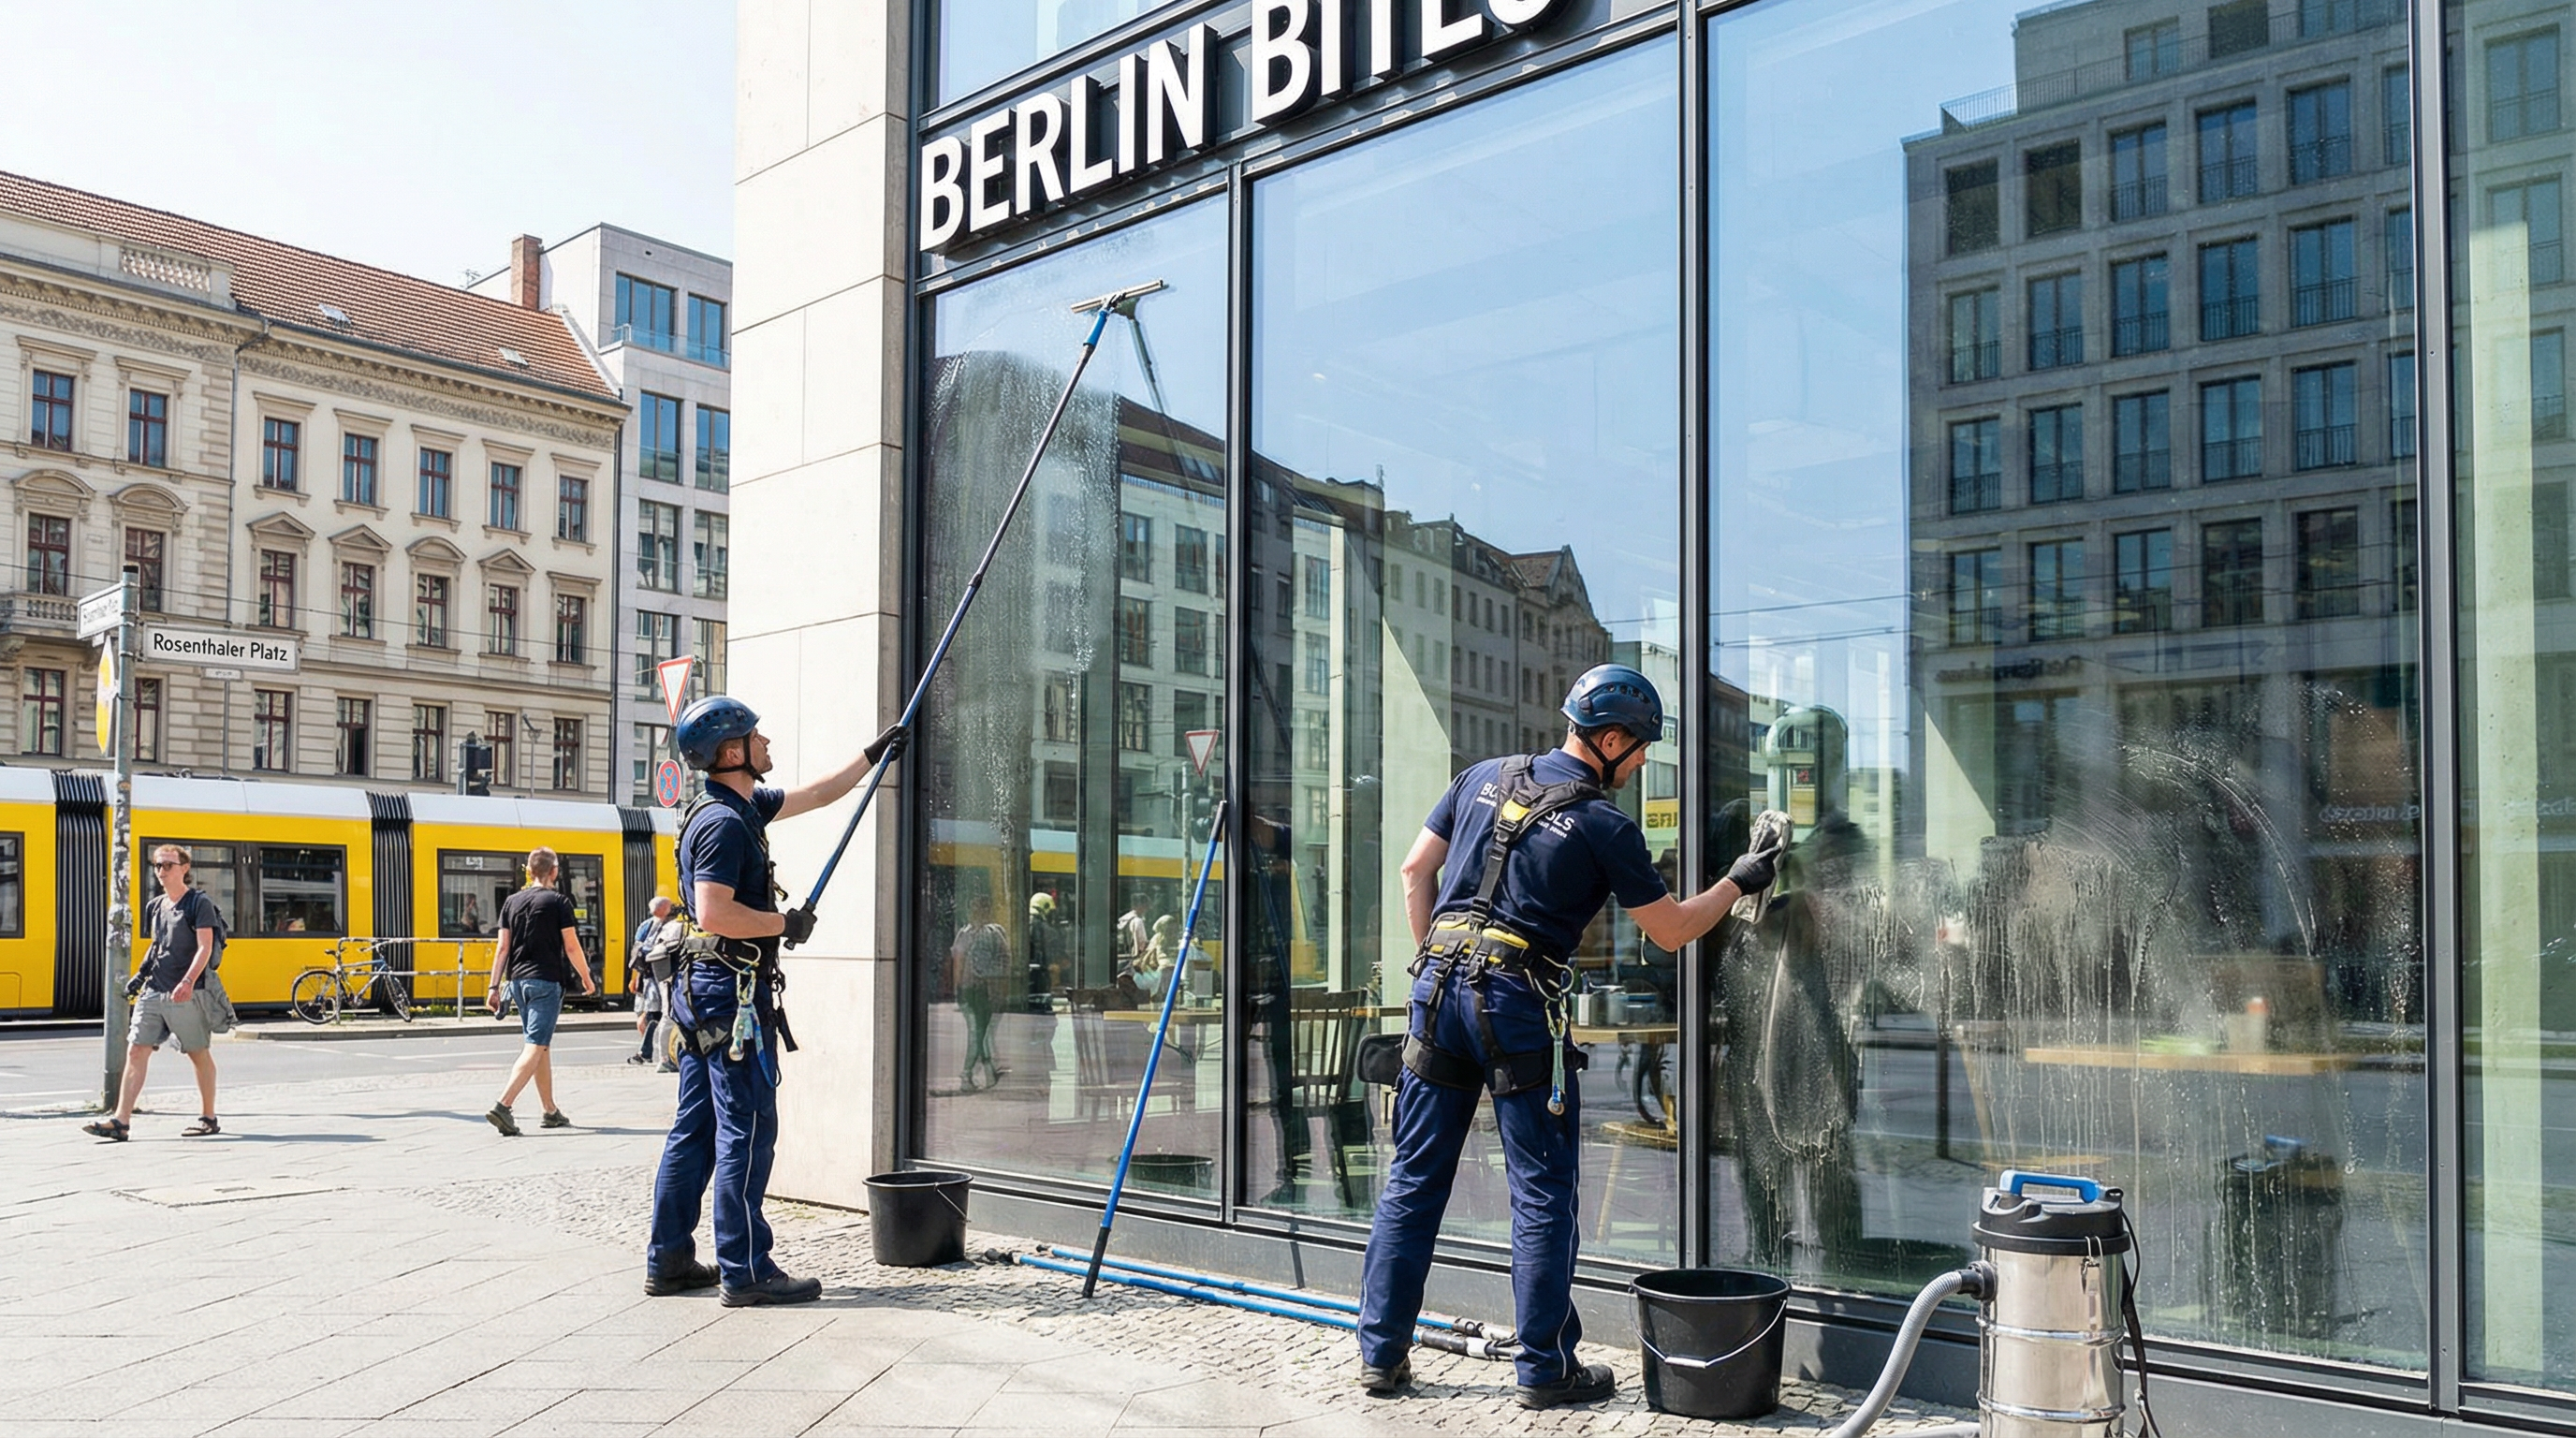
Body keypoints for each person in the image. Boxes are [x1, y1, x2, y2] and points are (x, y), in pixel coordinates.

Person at [1354, 665, 1786, 1409]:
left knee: (1414, 1178)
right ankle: (1544, 1370)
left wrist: (1436, 964)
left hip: (1436, 990)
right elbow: (1674, 930)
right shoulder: (1602, 824)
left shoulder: (1479, 776)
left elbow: (1413, 869)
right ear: (1610, 739)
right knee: (1542, 1191)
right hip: (1515, 1005)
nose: (1645, 760)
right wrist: (1740, 881)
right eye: (1642, 747)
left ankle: (1381, 1355)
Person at [644, 694, 904, 1305]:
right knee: (746, 1129)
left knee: (698, 1129)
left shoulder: (737, 805)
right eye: (755, 738)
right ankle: (746, 1269)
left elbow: (816, 794)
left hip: (701, 994)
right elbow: (715, 911)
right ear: (731, 752)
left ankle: (672, 1258)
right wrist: (781, 924)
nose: (766, 744)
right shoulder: (726, 824)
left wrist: (874, 755)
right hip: (729, 997)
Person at [82, 844, 226, 1141]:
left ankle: (208, 1117)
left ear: (184, 868)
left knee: (197, 1053)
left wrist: (187, 982)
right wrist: (140, 975)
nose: (162, 871)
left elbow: (205, 946)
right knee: (137, 1049)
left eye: (168, 865)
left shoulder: (198, 903)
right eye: (158, 865)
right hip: (155, 989)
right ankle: (121, 1121)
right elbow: (157, 945)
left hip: (188, 991)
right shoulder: (156, 905)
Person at [484, 847, 595, 1134]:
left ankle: (550, 1110)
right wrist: (586, 976)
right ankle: (503, 1105)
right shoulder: (558, 901)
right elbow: (571, 946)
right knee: (535, 1044)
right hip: (546, 981)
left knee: (540, 1045)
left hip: (517, 982)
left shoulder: (511, 901)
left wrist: (494, 986)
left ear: (529, 870)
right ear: (554, 871)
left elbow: (502, 948)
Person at [951, 896, 1007, 1090]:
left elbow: (958, 963)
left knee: (979, 1033)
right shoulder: (992, 933)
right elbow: (1004, 962)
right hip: (978, 989)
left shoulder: (967, 933)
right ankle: (970, 1074)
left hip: (975, 989)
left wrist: (957, 988)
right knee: (979, 1033)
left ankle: (987, 1072)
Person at [628, 896, 677, 1067]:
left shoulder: (648, 925)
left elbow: (638, 953)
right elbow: (639, 954)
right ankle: (651, 1053)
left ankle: (646, 1052)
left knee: (653, 1015)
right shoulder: (660, 925)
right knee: (653, 1015)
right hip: (656, 977)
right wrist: (636, 978)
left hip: (654, 978)